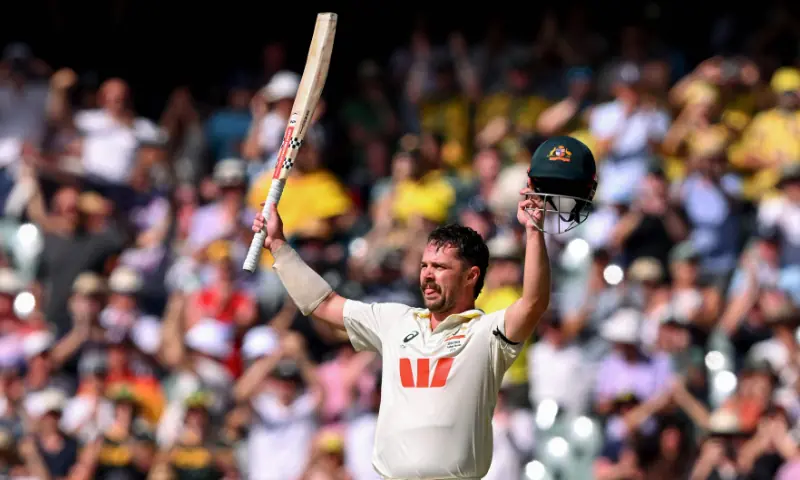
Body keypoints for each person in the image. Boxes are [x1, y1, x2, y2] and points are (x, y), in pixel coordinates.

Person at [251, 136, 596, 479]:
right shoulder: (394, 320)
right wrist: (280, 247)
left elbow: (534, 302)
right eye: (424, 266)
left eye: (441, 268)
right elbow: (323, 303)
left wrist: (533, 231)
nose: (428, 276)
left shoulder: (487, 335)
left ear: (470, 277)